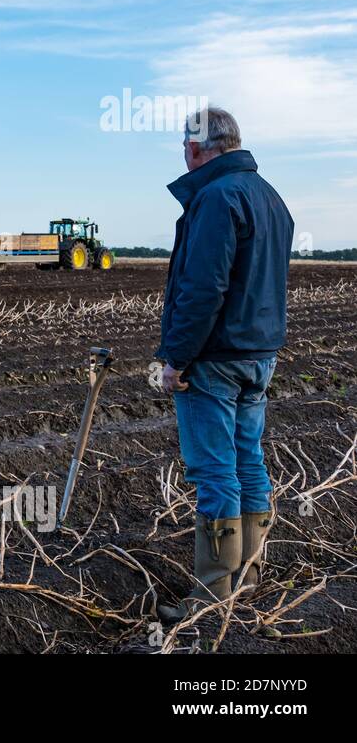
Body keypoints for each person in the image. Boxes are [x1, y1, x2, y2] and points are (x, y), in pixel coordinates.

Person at [155, 107, 294, 621]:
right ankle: (249, 577)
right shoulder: (270, 197)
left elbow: (203, 288)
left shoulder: (215, 198)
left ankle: (212, 594)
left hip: (213, 358)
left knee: (215, 472)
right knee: (248, 463)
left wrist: (177, 358)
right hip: (259, 355)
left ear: (197, 148)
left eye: (185, 150)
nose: (185, 159)